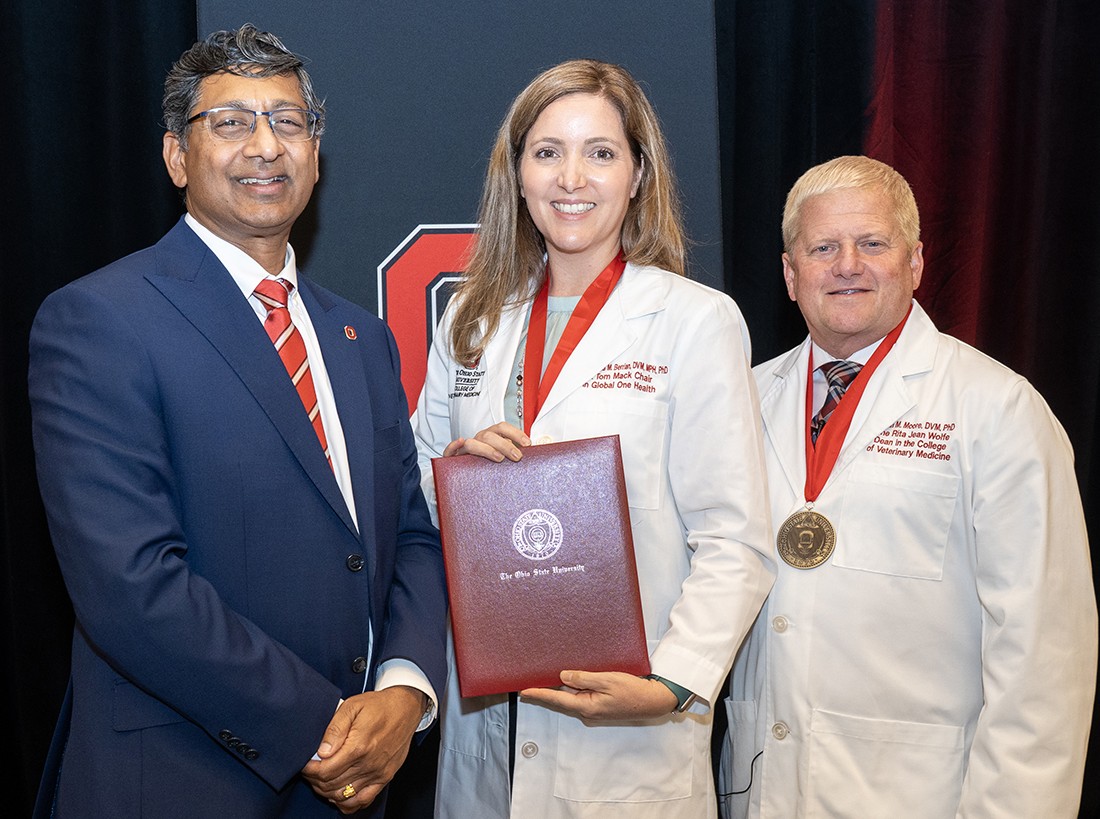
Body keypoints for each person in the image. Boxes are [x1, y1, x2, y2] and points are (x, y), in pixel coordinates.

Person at [28, 24, 447, 818]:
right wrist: (321, 724)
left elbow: (412, 538)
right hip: (181, 781)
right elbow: (130, 587)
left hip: (356, 783)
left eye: (289, 122)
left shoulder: (361, 339)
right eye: (230, 122)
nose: (265, 145)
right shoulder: (99, 319)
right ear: (176, 156)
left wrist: (405, 691)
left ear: (316, 155)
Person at [412, 59, 775, 818]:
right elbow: (417, 499)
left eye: (600, 153)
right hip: (488, 729)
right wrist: (453, 477)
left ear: (638, 174)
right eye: (547, 152)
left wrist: (671, 681)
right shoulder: (471, 319)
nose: (571, 178)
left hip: (628, 732)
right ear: (517, 174)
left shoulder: (694, 321)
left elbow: (735, 536)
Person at [719, 155, 1097, 818]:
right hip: (762, 787)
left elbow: (1043, 652)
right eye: (823, 248)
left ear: (916, 262)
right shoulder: (739, 399)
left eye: (872, 243)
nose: (847, 265)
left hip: (922, 794)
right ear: (790, 273)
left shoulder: (997, 408)